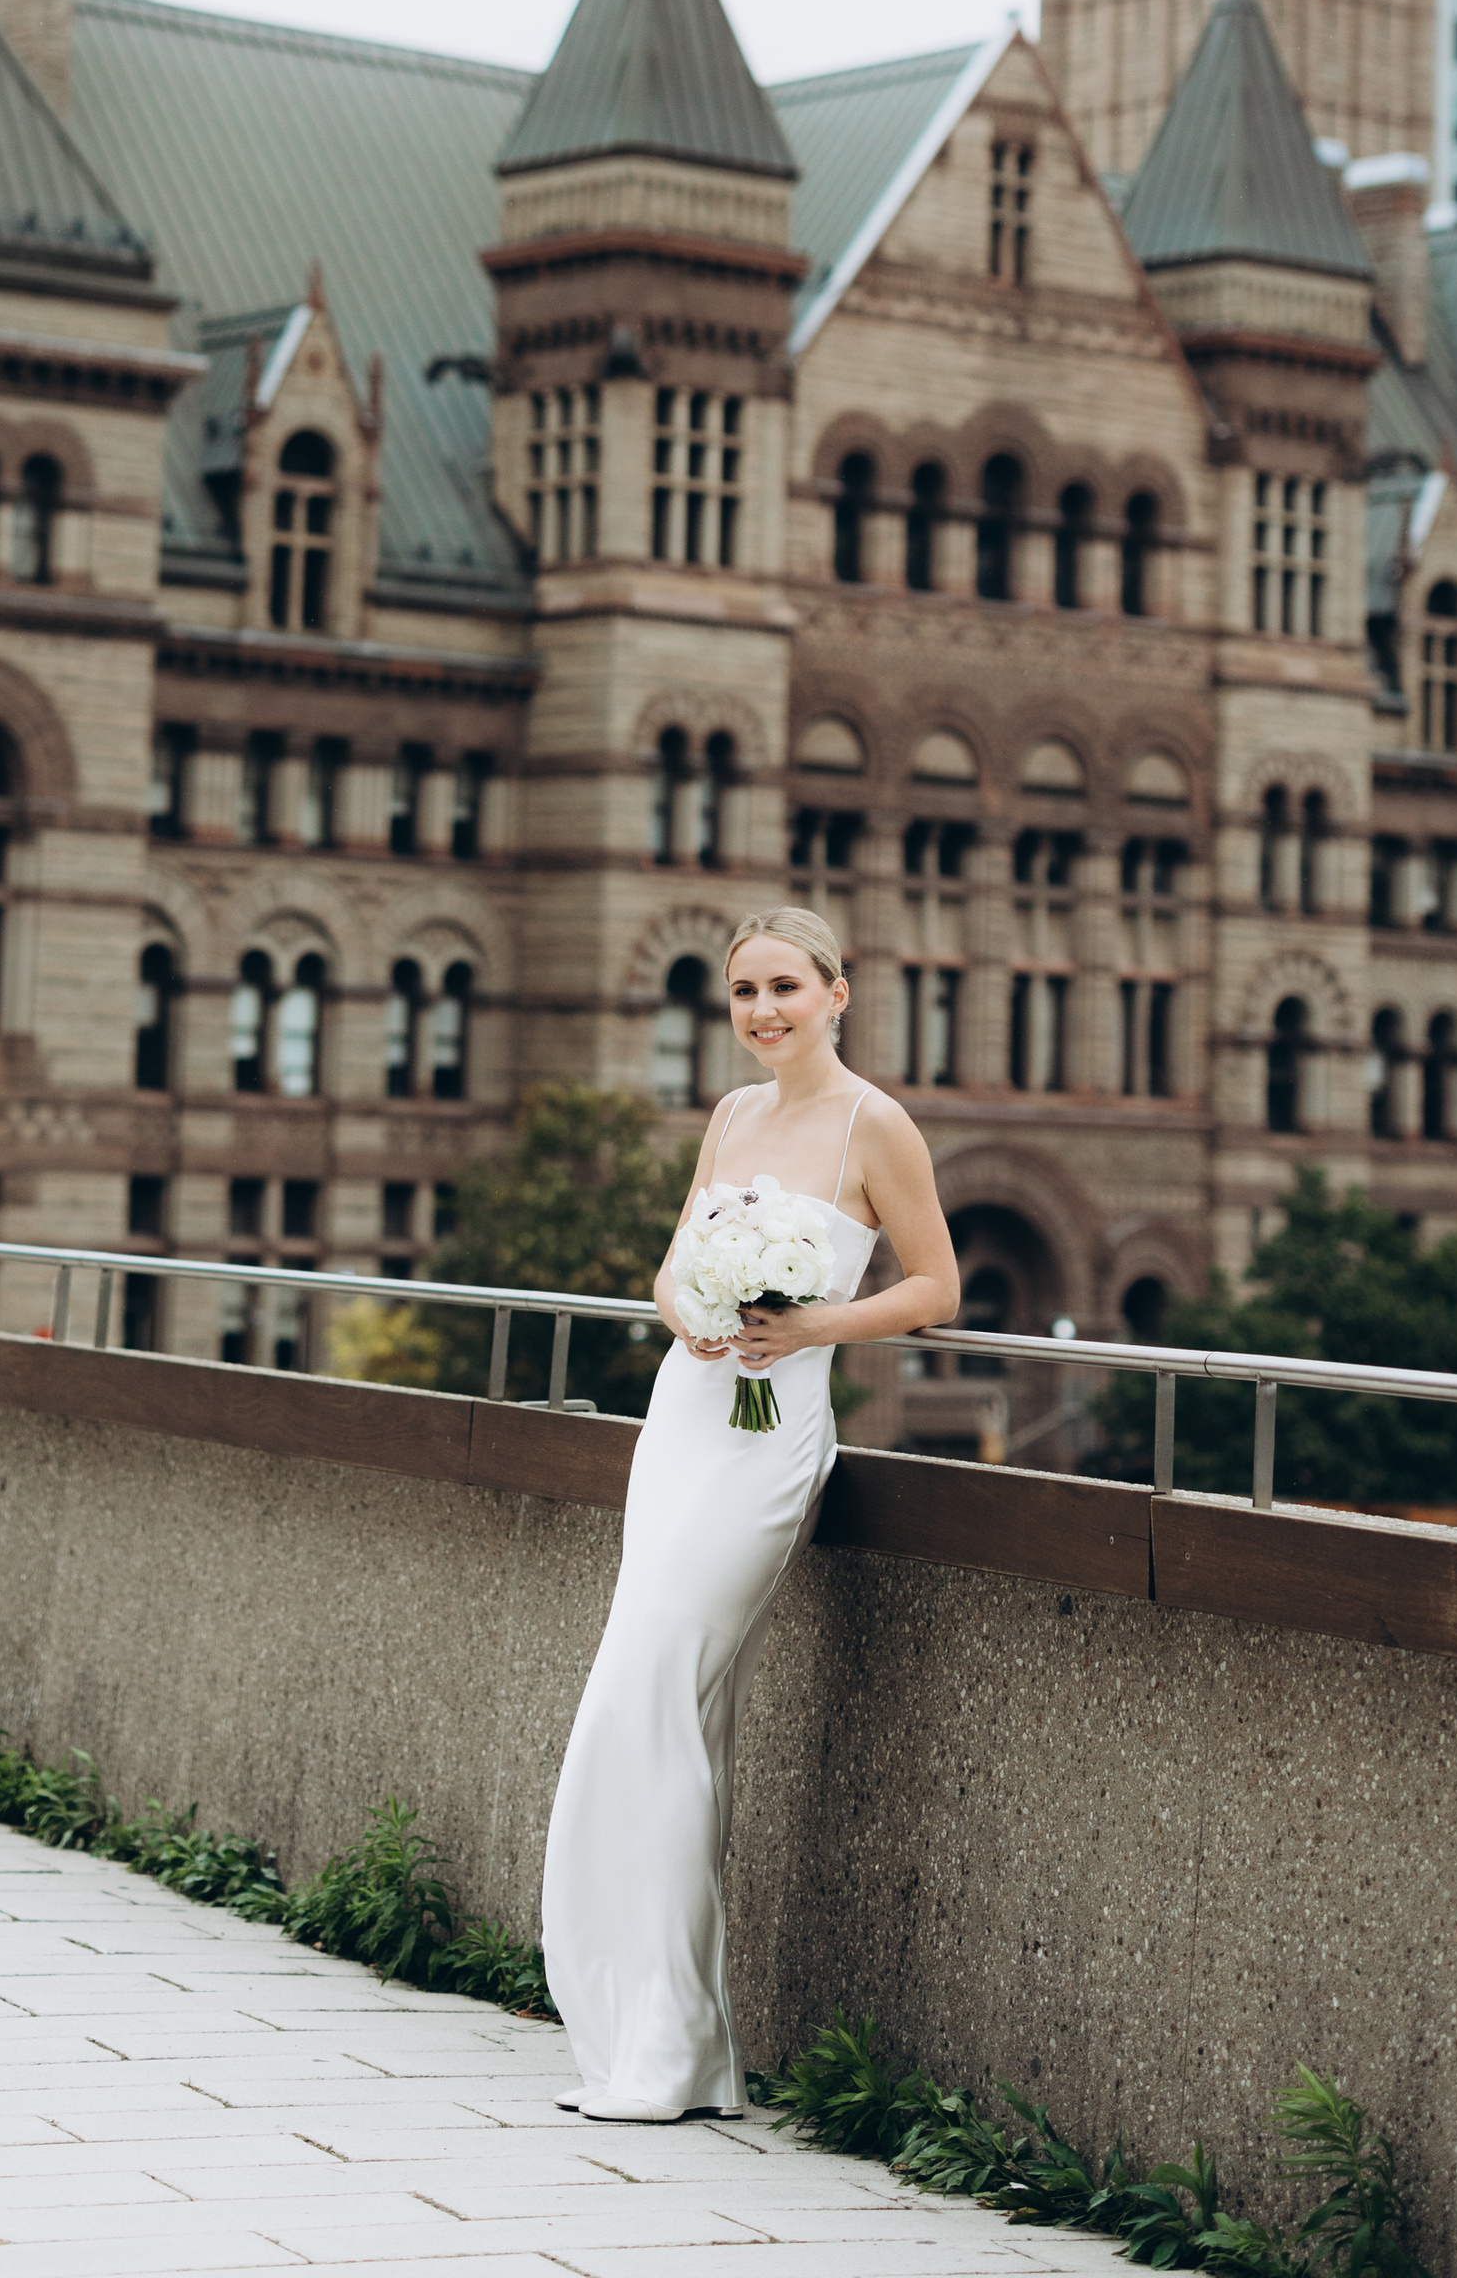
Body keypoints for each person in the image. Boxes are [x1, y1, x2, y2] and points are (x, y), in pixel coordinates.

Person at [539, 903, 960, 2123]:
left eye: (785, 987)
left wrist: (814, 1322)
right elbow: (673, 1260)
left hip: (774, 1443)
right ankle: (675, 2052)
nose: (762, 1012)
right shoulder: (729, 1116)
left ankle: (670, 2053)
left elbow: (934, 1285)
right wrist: (690, 1311)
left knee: (652, 1693)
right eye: (742, 993)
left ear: (838, 991)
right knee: (671, 1710)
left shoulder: (875, 1125)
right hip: (683, 1421)